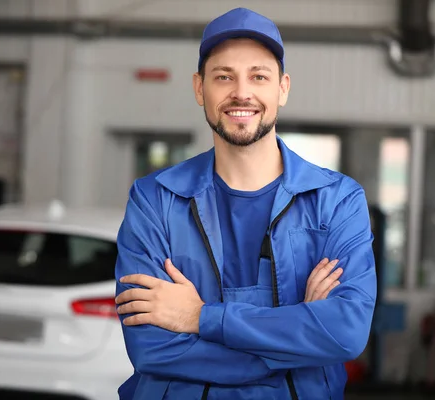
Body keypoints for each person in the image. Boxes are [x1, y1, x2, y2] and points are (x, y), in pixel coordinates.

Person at [114, 7, 377, 400]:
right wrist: (298, 341)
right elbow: (151, 348)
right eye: (224, 77)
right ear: (200, 88)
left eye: (259, 76)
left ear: (282, 88)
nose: (242, 92)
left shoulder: (337, 202)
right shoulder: (154, 201)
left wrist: (199, 317)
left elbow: (345, 332)